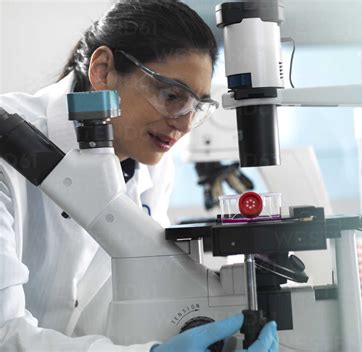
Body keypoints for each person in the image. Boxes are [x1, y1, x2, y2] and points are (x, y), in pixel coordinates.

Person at [0, 0, 278, 351]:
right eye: (171, 95)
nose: (184, 124)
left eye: (197, 107)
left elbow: (153, 289)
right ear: (102, 71)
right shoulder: (8, 140)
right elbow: (4, 333)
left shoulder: (152, 168)